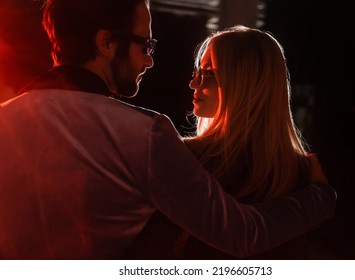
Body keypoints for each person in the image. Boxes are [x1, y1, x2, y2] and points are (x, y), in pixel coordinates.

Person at [0, 0, 336, 259]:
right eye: (145, 45)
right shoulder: (143, 133)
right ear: (106, 43)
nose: (149, 61)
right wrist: (320, 196)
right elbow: (240, 233)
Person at [128, 25, 333, 259]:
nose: (193, 84)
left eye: (209, 73)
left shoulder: (182, 157)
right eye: (196, 73)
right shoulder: (303, 174)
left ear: (245, 82)